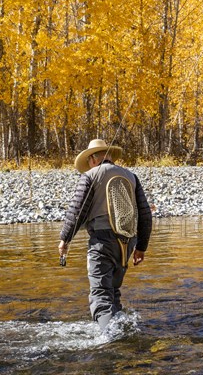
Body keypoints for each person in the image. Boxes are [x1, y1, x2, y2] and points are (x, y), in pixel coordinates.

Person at [58, 139, 152, 331]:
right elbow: (145, 215)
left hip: (102, 241)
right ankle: (121, 331)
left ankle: (110, 339)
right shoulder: (132, 176)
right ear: (109, 156)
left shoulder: (90, 175)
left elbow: (77, 210)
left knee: (101, 295)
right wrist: (141, 247)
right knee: (113, 292)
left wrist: (65, 239)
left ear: (92, 158)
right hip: (127, 242)